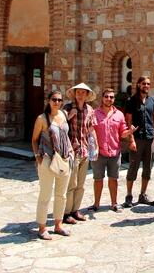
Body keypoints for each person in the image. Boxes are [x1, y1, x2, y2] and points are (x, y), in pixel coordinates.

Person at [31, 91, 73, 240]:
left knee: (61, 195)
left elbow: (66, 135)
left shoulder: (63, 115)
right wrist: (38, 157)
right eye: (54, 99)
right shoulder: (41, 119)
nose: (57, 102)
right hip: (48, 159)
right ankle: (42, 227)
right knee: (45, 194)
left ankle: (58, 224)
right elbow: (34, 139)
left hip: (64, 158)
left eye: (59, 100)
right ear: (49, 101)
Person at [89, 89, 135, 213]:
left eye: (111, 97)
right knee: (98, 179)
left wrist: (129, 132)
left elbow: (123, 133)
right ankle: (96, 204)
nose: (109, 99)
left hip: (114, 152)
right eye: (106, 96)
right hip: (99, 153)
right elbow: (90, 130)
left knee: (113, 178)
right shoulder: (94, 113)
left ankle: (114, 203)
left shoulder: (119, 114)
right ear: (102, 98)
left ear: (114, 99)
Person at [123, 77, 154, 208]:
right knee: (133, 167)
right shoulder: (131, 101)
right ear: (138, 84)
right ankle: (129, 195)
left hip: (150, 137)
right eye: (144, 83)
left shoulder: (152, 100)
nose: (146, 86)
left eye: (148, 84)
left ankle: (143, 194)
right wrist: (131, 139)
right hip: (137, 138)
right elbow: (128, 121)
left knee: (148, 168)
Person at [63, 83, 96, 224]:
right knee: (71, 183)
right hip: (72, 150)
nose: (81, 94)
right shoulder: (67, 108)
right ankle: (66, 212)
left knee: (81, 184)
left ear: (87, 95)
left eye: (83, 92)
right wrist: (69, 117)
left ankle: (75, 210)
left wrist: (96, 146)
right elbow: (60, 125)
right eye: (78, 92)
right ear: (75, 94)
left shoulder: (89, 109)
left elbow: (91, 128)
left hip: (84, 150)